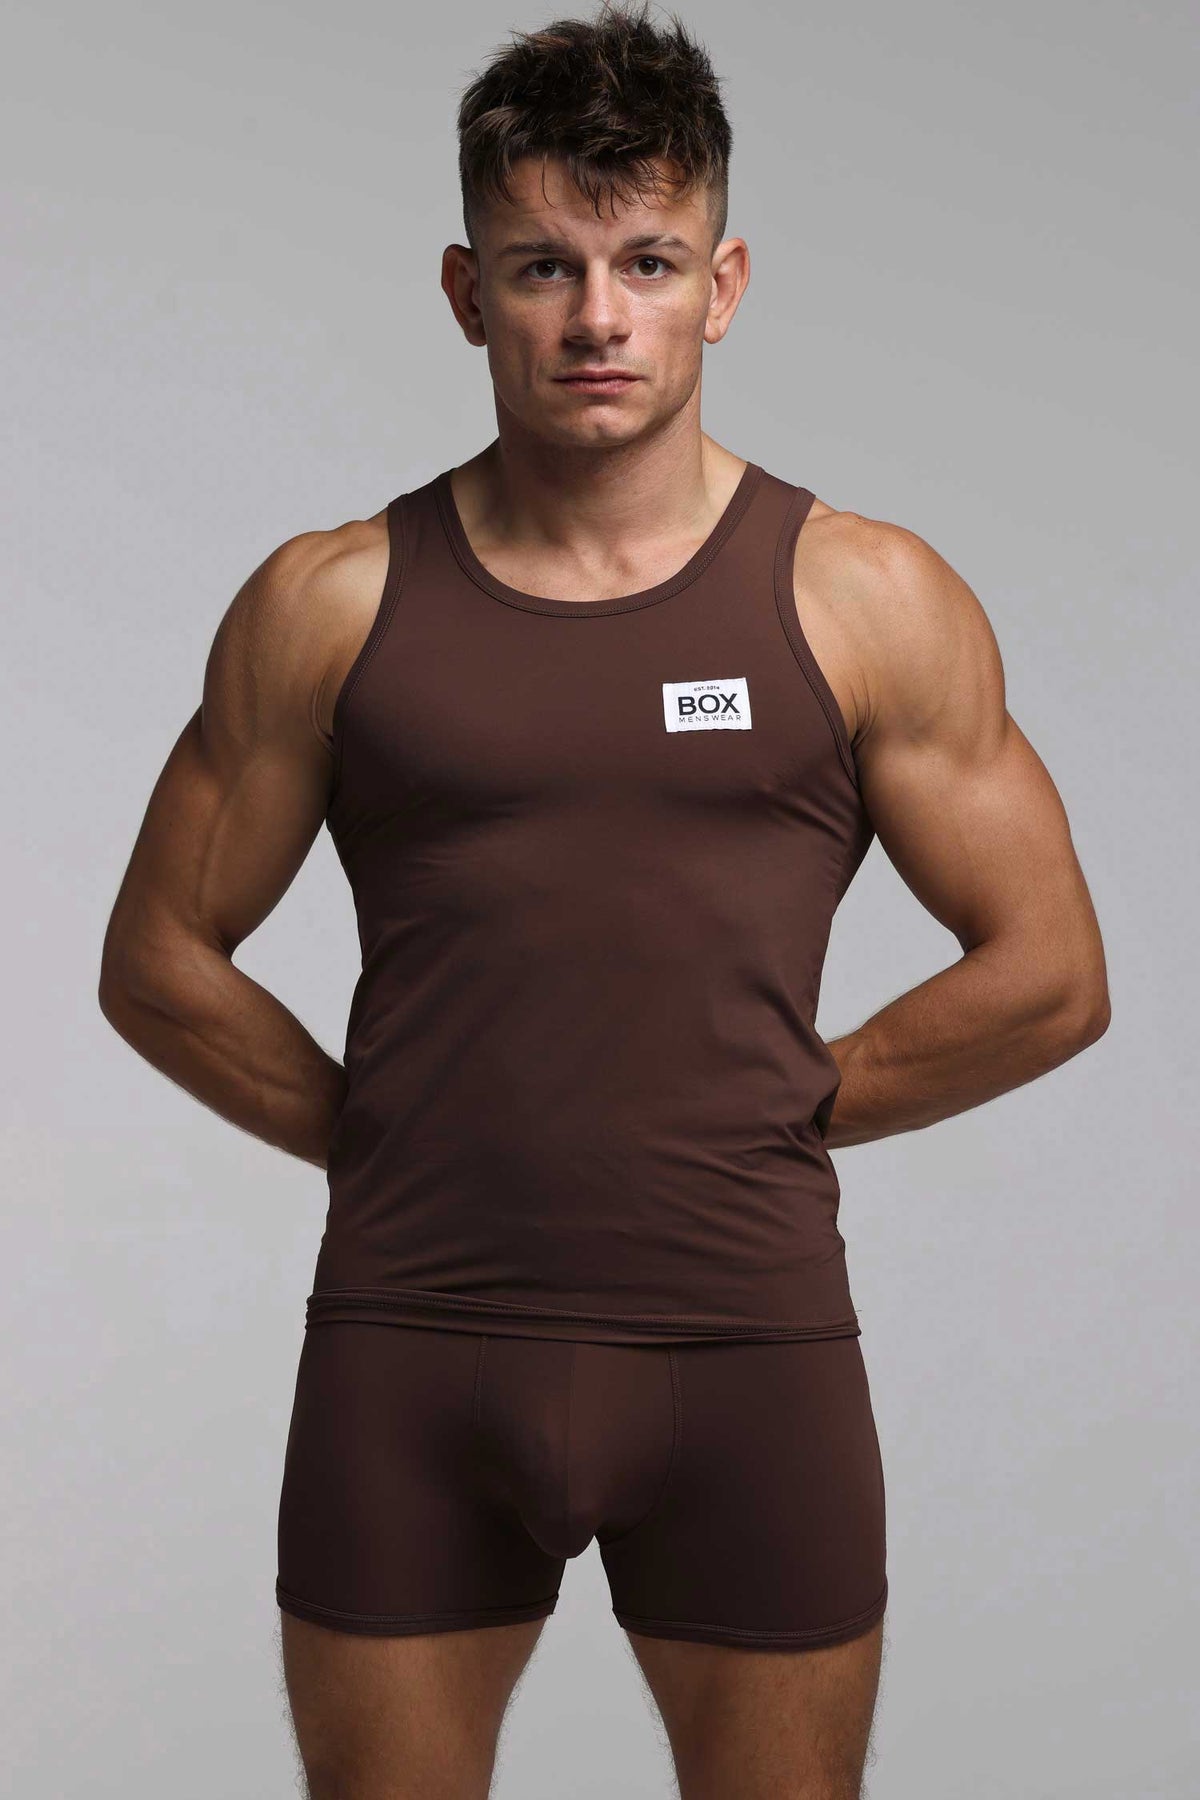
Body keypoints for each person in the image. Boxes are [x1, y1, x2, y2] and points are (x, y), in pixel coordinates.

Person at [98, 4, 1110, 1796]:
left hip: (746, 1351)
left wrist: (793, 1102)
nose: (596, 317)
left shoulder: (862, 599)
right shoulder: (332, 603)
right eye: (542, 266)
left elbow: (1051, 973)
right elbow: (160, 959)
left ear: (723, 285)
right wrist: (380, 1137)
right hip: (416, 1349)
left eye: (645, 261)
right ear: (464, 291)